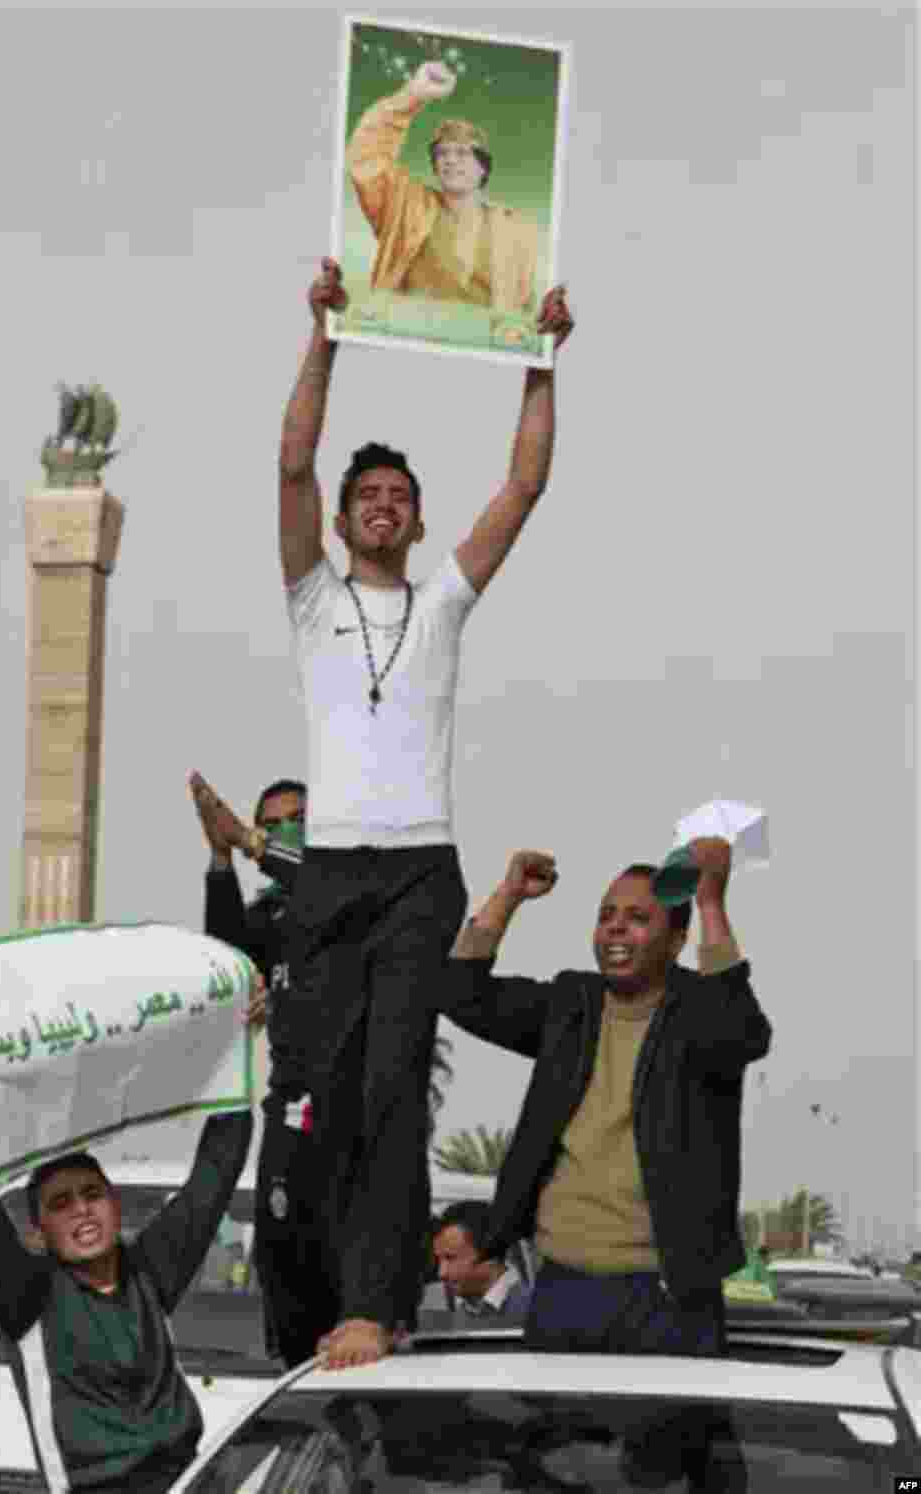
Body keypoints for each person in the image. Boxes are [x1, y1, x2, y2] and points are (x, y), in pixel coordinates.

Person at [277, 257, 573, 1369]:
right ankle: (312, 1297)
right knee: (320, 1099)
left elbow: (525, 487)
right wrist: (326, 332)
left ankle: (375, 1304)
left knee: (399, 1091)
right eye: (369, 498)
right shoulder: (313, 599)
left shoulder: (442, 601)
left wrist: (540, 358)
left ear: (415, 518)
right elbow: (293, 459)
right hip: (329, 877)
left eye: (399, 497)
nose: (383, 506)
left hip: (416, 875)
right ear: (349, 518)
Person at [433, 837, 768, 1485]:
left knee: (670, 1478)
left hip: (668, 1301)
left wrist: (711, 901)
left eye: (639, 918)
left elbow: (746, 1032)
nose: (616, 926)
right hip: (563, 1293)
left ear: (676, 943)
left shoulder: (700, 1013)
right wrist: (508, 897)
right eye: (607, 913)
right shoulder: (570, 1003)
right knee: (547, 1475)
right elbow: (460, 994)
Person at [0, 1012, 255, 1494]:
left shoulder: (149, 1272)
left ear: (114, 1205)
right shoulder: (29, 1297)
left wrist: (239, 1044)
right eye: (61, 1204)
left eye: (91, 1194)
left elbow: (214, 1175)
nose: (81, 1210)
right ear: (38, 1233)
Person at [189, 770, 342, 1368]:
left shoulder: (355, 894)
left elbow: (326, 892)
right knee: (283, 1256)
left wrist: (251, 840)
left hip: (352, 1110)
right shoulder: (272, 915)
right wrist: (221, 855)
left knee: (342, 1262)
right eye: (270, 822)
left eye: (296, 819)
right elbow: (225, 954)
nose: (282, 831)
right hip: (289, 1107)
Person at [347, 60, 537, 314]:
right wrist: (413, 94)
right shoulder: (405, 206)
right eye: (442, 153)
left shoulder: (513, 229)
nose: (449, 159)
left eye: (462, 152)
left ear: (483, 168)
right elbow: (366, 154)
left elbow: (524, 310)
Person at [431, 1201, 532, 1320]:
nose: (442, 1272)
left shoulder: (537, 1312)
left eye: (450, 1258)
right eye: (440, 1260)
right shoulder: (461, 1311)